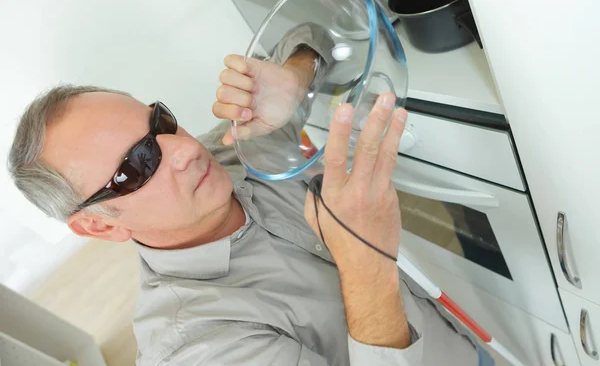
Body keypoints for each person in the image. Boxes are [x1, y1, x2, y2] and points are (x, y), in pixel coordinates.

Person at [7, 38, 494, 365]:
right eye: (136, 166)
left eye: (160, 122)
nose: (184, 148)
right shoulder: (196, 345)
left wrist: (294, 77)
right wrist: (365, 261)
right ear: (99, 227)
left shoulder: (232, 149)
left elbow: (317, 28)